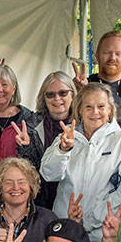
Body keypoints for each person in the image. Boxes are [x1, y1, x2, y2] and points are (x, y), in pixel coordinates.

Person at [41, 82, 121, 242]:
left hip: (105, 229)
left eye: (101, 106)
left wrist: (97, 215)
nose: (95, 112)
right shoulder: (66, 137)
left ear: (109, 110)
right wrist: (62, 150)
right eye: (88, 107)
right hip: (67, 225)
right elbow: (48, 174)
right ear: (79, 109)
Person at [0, 157, 57, 242]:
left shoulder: (48, 219)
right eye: (9, 182)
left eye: (22, 182)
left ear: (31, 186)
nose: (16, 187)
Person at [29, 71, 77, 208]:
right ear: (43, 98)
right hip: (41, 203)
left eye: (63, 93)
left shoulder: (84, 124)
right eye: (50, 94)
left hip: (74, 202)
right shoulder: (31, 126)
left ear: (72, 94)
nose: (57, 98)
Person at [75, 30, 121, 97]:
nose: (112, 58)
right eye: (107, 52)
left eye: (118, 54)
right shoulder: (84, 86)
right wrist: (77, 93)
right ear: (97, 55)